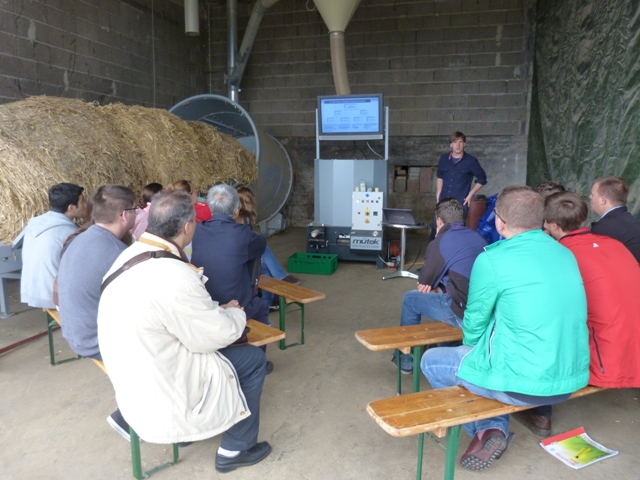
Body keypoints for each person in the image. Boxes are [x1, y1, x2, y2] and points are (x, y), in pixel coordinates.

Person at [97, 190, 271, 473]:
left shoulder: (129, 255)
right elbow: (218, 335)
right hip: (161, 376)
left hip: (128, 365)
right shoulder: (176, 274)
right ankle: (235, 449)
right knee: (253, 360)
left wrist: (213, 310)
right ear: (188, 227)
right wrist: (234, 312)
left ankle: (187, 430)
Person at [421, 186, 590, 471]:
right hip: (570, 379)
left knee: (432, 361)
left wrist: (474, 351)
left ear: (499, 222)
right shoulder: (565, 254)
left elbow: (474, 325)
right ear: (541, 219)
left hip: (524, 385)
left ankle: (488, 428)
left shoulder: (493, 259)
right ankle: (492, 426)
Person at [517, 192, 640, 437]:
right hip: (632, 349)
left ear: (552, 225)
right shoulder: (613, 243)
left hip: (606, 359)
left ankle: (541, 412)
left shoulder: (558, 254)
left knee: (536, 324)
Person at [392, 198, 487, 374]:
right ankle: (447, 348)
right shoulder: (479, 237)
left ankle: (405, 361)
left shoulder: (441, 241)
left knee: (410, 299)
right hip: (485, 313)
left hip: (466, 316)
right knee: (443, 294)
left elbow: (424, 283)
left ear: (439, 221)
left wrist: (435, 285)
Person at [191, 184, 272, 372]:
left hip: (205, 301)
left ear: (210, 207)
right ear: (236, 211)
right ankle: (258, 360)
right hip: (235, 303)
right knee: (261, 306)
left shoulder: (197, 230)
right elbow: (261, 245)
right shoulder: (242, 234)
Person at [19, 183, 86, 308]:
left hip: (32, 292)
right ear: (71, 208)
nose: (85, 205)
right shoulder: (69, 233)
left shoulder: (35, 224)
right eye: (82, 201)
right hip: (54, 298)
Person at [235, 186, 301, 310]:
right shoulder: (244, 219)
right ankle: (280, 279)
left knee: (264, 266)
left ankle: (268, 302)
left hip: (243, 252)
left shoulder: (237, 217)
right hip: (242, 255)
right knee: (264, 250)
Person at [589, 176, 640, 263]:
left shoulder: (602, 228)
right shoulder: (631, 221)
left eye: (593, 194)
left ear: (603, 201)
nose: (590, 197)